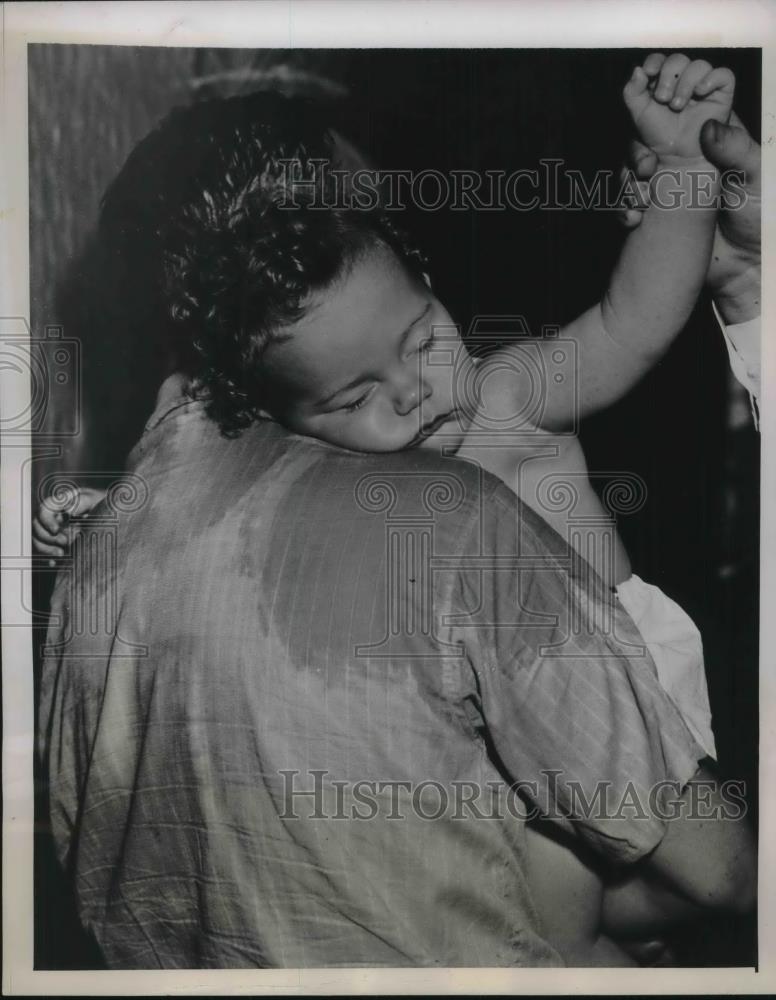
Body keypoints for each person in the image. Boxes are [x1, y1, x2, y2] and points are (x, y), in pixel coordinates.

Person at [37, 56, 755, 969]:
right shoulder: (335, 463)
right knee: (556, 920)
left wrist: (684, 168)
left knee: (567, 911)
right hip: (529, 733)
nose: (413, 392)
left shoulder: (507, 399)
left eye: (420, 338)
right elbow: (217, 470)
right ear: (289, 420)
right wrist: (105, 508)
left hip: (635, 681)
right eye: (354, 398)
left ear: (426, 282)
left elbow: (632, 321)